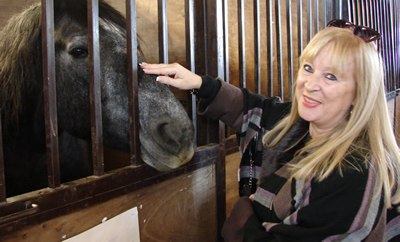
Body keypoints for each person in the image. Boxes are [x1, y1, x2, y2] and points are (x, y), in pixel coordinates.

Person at [140, 19, 400, 241]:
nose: (310, 85)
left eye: (330, 76)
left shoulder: (355, 171)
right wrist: (199, 83)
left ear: (360, 93)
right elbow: (255, 107)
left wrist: (245, 220)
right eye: (308, 68)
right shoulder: (300, 126)